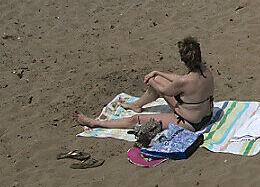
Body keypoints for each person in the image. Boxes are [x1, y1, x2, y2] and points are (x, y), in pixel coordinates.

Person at [74, 37, 216, 132]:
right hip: (206, 114)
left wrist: (151, 80)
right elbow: (179, 80)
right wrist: (157, 73)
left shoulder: (184, 82)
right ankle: (137, 104)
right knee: (159, 79)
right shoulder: (205, 71)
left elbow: (164, 90)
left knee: (136, 120)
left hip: (190, 122)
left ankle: (96, 123)